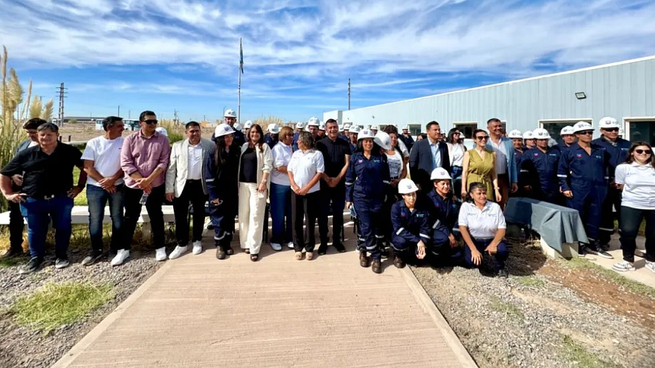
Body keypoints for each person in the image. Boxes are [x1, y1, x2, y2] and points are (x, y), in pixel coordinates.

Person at [0, 122, 86, 274]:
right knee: (35, 229)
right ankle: (35, 258)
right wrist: (8, 193)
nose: (45, 138)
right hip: (33, 199)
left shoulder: (69, 151)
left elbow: (85, 168)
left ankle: (61, 256)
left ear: (57, 135)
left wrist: (79, 187)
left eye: (49, 135)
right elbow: (5, 173)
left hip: (61, 198)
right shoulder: (27, 153)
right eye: (42, 135)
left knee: (63, 227)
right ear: (38, 137)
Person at [117, 110, 170, 266]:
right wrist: (141, 181)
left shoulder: (163, 140)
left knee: (156, 216)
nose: (153, 124)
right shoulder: (130, 139)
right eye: (149, 122)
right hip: (134, 186)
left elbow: (163, 162)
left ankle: (160, 247)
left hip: (155, 185)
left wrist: (149, 181)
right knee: (130, 217)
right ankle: (124, 249)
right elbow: (126, 162)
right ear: (141, 123)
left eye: (155, 121)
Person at [558, 121, 612, 258]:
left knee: (595, 216)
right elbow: (562, 171)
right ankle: (580, 244)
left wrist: (605, 185)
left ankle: (594, 244)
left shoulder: (599, 150)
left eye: (590, 132)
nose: (588, 135)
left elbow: (605, 169)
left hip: (598, 189)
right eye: (584, 133)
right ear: (576, 135)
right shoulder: (569, 151)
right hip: (578, 188)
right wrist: (565, 187)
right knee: (579, 216)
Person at [165, 121, 214, 259]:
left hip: (200, 185)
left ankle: (197, 240)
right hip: (182, 185)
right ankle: (181, 244)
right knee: (180, 216)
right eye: (191, 131)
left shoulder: (209, 146)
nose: (194, 134)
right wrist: (169, 189)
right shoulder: (177, 146)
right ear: (186, 132)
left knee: (199, 214)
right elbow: (171, 169)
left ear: (200, 131)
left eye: (197, 131)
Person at [80, 116, 125, 266]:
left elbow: (126, 165)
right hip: (95, 187)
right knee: (95, 218)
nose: (123, 129)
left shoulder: (124, 143)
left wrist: (112, 179)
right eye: (119, 126)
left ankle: (116, 248)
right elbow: (88, 167)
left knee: (117, 217)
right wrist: (104, 182)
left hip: (117, 186)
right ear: (109, 127)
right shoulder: (93, 143)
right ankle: (96, 250)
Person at [345, 129, 390, 274]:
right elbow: (349, 179)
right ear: (361, 143)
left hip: (377, 198)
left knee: (376, 226)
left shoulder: (381, 158)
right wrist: (348, 198)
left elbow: (386, 179)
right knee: (366, 226)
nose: (368, 143)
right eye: (365, 141)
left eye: (370, 141)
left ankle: (363, 249)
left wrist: (386, 194)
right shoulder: (355, 157)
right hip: (360, 198)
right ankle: (376, 257)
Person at [611, 142, 655, 273]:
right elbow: (620, 185)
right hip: (631, 204)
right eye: (639, 151)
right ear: (632, 153)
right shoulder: (623, 168)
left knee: (653, 234)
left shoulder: (653, 168)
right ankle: (628, 260)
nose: (643, 154)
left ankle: (651, 260)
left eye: (647, 151)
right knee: (628, 232)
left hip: (653, 205)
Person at [2, 118, 41, 259]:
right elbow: (13, 165)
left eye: (33, 132)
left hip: (38, 189)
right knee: (15, 217)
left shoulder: (49, 146)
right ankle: (15, 247)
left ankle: (37, 248)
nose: (30, 135)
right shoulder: (24, 145)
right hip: (18, 187)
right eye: (28, 132)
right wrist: (13, 175)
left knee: (38, 219)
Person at [593, 117, 631, 249]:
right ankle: (603, 240)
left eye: (616, 129)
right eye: (609, 129)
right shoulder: (595, 145)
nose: (614, 131)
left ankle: (626, 242)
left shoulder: (627, 144)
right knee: (605, 213)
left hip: (623, 186)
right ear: (602, 130)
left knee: (624, 214)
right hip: (604, 185)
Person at [238, 123, 273, 261]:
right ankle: (245, 243)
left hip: (257, 186)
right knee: (244, 215)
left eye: (257, 132)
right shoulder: (245, 147)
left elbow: (267, 165)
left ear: (261, 134)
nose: (254, 135)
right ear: (249, 133)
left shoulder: (264, 147)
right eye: (252, 132)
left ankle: (254, 248)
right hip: (242, 185)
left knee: (256, 216)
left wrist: (263, 182)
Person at [205, 123, 240, 259]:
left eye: (231, 136)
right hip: (217, 192)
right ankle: (219, 244)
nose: (229, 139)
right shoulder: (212, 153)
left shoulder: (234, 151)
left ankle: (227, 243)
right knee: (218, 218)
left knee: (230, 217)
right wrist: (213, 195)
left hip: (231, 191)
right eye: (226, 137)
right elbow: (209, 176)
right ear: (219, 138)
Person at [459, 182, 509, 277]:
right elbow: (463, 228)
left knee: (502, 251)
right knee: (471, 262)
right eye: (479, 193)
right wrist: (473, 249)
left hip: (492, 238)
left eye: (484, 193)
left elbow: (502, 229)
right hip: (475, 240)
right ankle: (481, 258)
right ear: (471, 195)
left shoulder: (495, 207)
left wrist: (494, 244)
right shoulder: (466, 207)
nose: (482, 196)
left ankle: (500, 266)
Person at [288, 132, 324, 260]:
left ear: (305, 142)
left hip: (311, 192)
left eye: (299, 140)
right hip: (295, 191)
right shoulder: (296, 154)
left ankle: (309, 247)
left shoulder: (317, 154)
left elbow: (319, 173)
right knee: (296, 219)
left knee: (309, 219)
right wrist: (294, 185)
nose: (297, 142)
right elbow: (290, 170)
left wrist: (306, 188)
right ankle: (298, 247)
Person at [316, 119, 351, 254]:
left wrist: (337, 179)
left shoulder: (344, 143)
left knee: (338, 214)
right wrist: (326, 178)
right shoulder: (319, 144)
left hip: (339, 183)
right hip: (323, 183)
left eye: (335, 127)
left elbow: (346, 163)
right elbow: (317, 164)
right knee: (323, 214)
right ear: (326, 129)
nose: (333, 130)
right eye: (330, 128)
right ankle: (323, 242)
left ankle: (337, 240)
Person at [390, 179, 431, 268]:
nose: (412, 198)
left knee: (421, 259)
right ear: (403, 196)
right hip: (402, 236)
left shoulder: (422, 207)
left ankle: (413, 254)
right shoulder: (396, 207)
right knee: (400, 242)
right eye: (409, 195)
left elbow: (425, 227)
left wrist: (422, 244)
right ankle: (398, 256)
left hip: (417, 237)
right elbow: (398, 229)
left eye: (413, 194)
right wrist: (417, 240)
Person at [426, 168, 462, 266]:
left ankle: (446, 253)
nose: (446, 186)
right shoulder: (428, 199)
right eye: (443, 184)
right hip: (436, 230)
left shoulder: (452, 198)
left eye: (448, 183)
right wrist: (449, 235)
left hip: (449, 230)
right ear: (435, 184)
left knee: (458, 256)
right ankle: (433, 257)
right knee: (443, 239)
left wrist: (455, 235)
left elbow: (458, 217)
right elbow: (432, 220)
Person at [269, 126, 294, 251]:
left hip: (291, 185)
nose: (291, 137)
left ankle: (289, 238)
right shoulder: (277, 148)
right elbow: (279, 166)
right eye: (289, 135)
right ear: (283, 136)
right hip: (279, 185)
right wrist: (294, 172)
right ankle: (276, 239)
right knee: (278, 214)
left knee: (291, 213)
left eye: (292, 135)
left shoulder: (292, 148)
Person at [521, 128, 562, 204]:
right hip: (536, 185)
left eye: (545, 139)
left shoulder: (555, 152)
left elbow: (560, 168)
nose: (544, 141)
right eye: (541, 140)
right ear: (535, 140)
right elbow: (524, 170)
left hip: (553, 186)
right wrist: (526, 183)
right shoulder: (529, 153)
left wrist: (561, 184)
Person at [409, 121, 451, 194]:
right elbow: (412, 164)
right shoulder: (419, 145)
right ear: (428, 131)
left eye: (439, 130)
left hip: (440, 182)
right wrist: (415, 182)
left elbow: (446, 165)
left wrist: (448, 181)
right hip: (424, 181)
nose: (438, 132)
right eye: (435, 130)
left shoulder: (443, 146)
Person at [486, 118, 518, 209]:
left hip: (504, 177)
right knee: (489, 201)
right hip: (489, 177)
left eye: (500, 126)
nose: (498, 128)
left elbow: (513, 163)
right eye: (495, 126)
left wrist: (514, 181)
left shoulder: (508, 142)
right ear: (488, 128)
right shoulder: (484, 142)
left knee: (503, 202)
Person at [461, 129, 501, 202]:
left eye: (485, 137)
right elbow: (465, 172)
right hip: (473, 183)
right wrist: (463, 188)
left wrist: (496, 190)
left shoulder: (492, 154)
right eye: (480, 137)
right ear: (474, 139)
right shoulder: (469, 153)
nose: (483, 139)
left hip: (487, 184)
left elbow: (494, 173)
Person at [446, 128, 467, 196]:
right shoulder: (447, 145)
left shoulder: (461, 145)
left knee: (459, 187)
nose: (457, 135)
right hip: (452, 168)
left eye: (458, 134)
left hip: (460, 168)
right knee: (451, 188)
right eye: (456, 133)